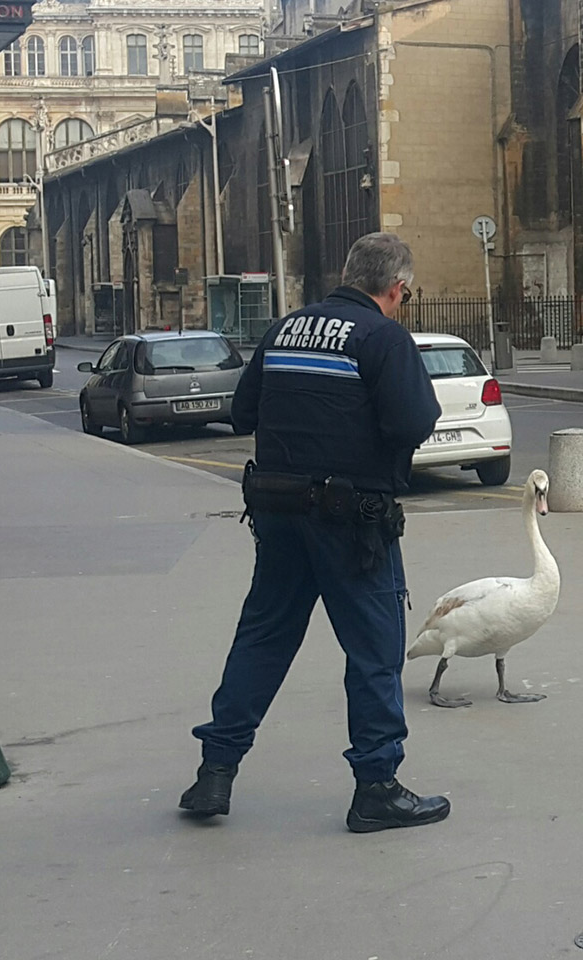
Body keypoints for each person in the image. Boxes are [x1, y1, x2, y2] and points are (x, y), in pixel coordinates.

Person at [180, 233, 451, 834]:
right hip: (352, 526)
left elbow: (242, 412)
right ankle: (376, 787)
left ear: (349, 273)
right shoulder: (382, 338)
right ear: (396, 288)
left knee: (263, 638)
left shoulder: (285, 330)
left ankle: (215, 771)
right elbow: (414, 422)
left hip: (278, 515)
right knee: (374, 651)